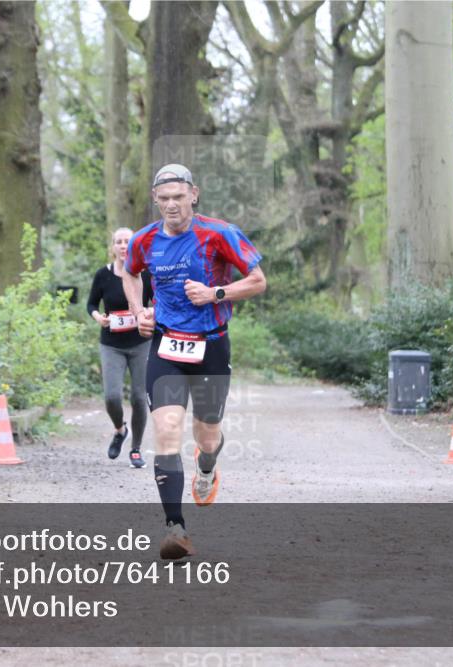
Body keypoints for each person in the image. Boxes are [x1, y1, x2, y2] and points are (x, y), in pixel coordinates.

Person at [123, 164, 266, 559]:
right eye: (164, 198)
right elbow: (129, 273)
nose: (172, 205)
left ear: (194, 195)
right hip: (166, 346)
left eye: (179, 197)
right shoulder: (143, 240)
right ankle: (175, 528)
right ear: (156, 199)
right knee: (167, 430)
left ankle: (207, 468)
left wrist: (217, 293)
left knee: (206, 436)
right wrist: (139, 312)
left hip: (211, 346)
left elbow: (257, 280)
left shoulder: (219, 233)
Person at [86, 227, 154, 468]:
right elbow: (91, 303)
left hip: (141, 343)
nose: (124, 246)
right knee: (112, 397)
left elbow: (158, 302)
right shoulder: (102, 275)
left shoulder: (145, 274)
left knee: (138, 397)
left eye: (129, 241)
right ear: (112, 247)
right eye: (119, 242)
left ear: (136, 245)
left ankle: (136, 449)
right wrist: (98, 317)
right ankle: (119, 430)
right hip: (111, 344)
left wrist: (150, 312)